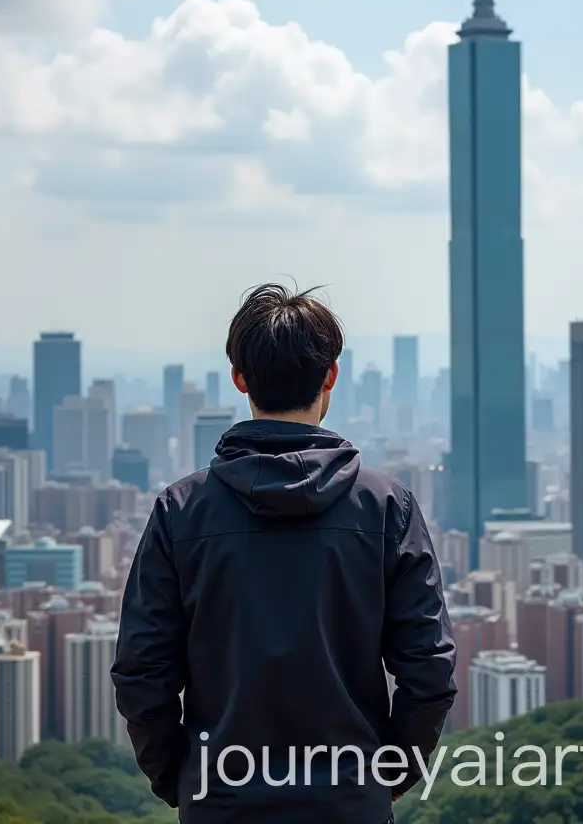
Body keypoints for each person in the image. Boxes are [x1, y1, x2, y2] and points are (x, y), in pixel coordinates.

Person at [112, 283, 456, 823]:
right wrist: (385, 776)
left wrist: (185, 779)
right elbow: (429, 670)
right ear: (331, 376)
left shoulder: (181, 511)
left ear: (239, 378)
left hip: (222, 803)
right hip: (349, 803)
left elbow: (141, 671)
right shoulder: (387, 507)